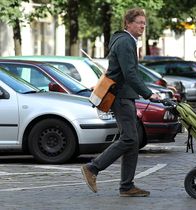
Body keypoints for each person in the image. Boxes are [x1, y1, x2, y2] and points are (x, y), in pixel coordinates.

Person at [81, 8, 161, 197]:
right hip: (122, 97)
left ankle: (127, 186)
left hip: (124, 95)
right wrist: (149, 94)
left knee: (132, 142)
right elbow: (130, 73)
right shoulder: (125, 42)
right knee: (130, 139)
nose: (143, 26)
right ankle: (93, 168)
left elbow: (129, 72)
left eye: (144, 23)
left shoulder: (124, 40)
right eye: (139, 22)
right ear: (128, 23)